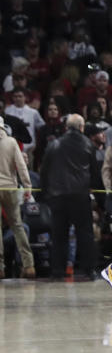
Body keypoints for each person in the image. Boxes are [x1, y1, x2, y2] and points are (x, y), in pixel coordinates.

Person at [39, 114, 100, 279]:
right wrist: (99, 198)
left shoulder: (54, 144)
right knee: (85, 234)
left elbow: (44, 171)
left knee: (59, 236)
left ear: (66, 127)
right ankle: (88, 270)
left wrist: (45, 194)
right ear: (82, 127)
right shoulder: (88, 144)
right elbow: (95, 173)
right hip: (80, 196)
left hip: (58, 196)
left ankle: (57, 271)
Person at [0, 117, 34, 279]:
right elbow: (21, 165)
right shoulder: (12, 142)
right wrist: (27, 186)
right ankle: (28, 265)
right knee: (18, 226)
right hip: (11, 187)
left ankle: (0, 267)